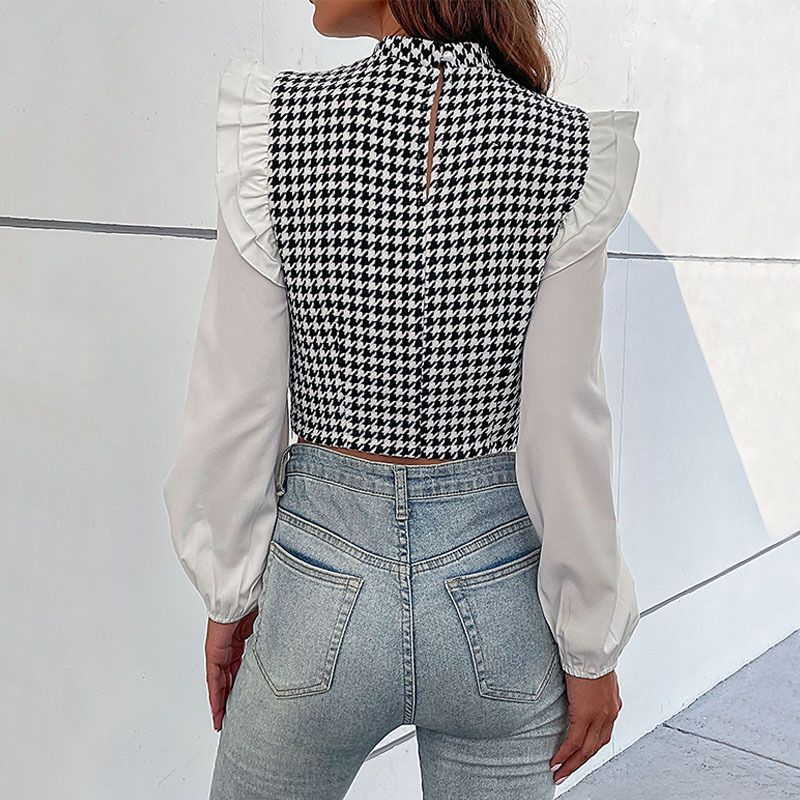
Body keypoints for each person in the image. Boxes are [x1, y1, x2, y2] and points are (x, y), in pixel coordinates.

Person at [163, 1, 642, 797]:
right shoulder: (566, 150)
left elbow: (235, 402)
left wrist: (228, 589)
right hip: (498, 598)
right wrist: (591, 648)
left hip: (318, 589)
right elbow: (565, 422)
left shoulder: (276, 128)